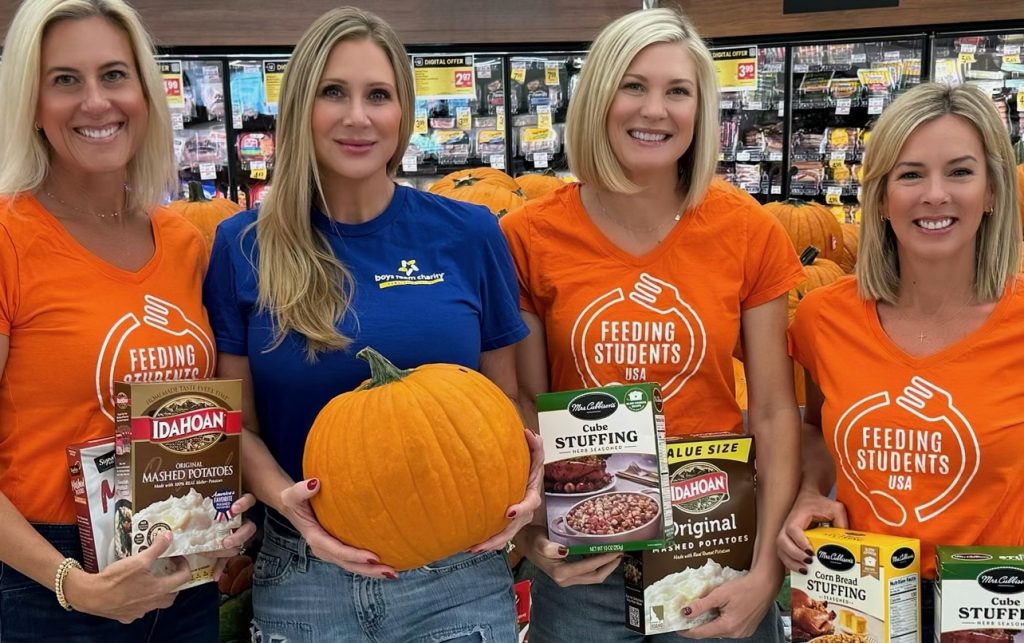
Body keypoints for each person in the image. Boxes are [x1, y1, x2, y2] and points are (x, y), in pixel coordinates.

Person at [202, 6, 541, 642]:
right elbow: (236, 426)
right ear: (302, 106)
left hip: (458, 570)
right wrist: (294, 512)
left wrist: (531, 471)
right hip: (304, 571)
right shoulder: (243, 245)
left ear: (403, 112)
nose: (358, 117)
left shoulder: (469, 234)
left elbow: (505, 397)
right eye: (334, 92)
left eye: (378, 95)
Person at [500, 7, 804, 642]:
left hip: (718, 549)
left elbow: (775, 412)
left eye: (678, 91)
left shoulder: (748, 231)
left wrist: (767, 576)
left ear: (701, 110)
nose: (655, 110)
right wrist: (533, 535)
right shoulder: (528, 236)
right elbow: (524, 403)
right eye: (633, 85)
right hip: (587, 561)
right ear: (598, 98)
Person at [0, 1, 255, 641]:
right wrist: (72, 584)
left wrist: (230, 515)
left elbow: (213, 411)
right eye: (65, 80)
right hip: (47, 584)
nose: (95, 102)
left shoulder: (187, 244)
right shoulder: (8, 239)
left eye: (114, 75)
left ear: (145, 92)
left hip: (180, 570)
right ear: (29, 101)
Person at [781, 82, 1023, 642]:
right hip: (856, 601)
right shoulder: (824, 317)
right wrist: (813, 491)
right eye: (910, 175)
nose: (934, 194)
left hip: (992, 611)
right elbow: (815, 426)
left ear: (991, 192)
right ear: (882, 196)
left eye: (960, 172)